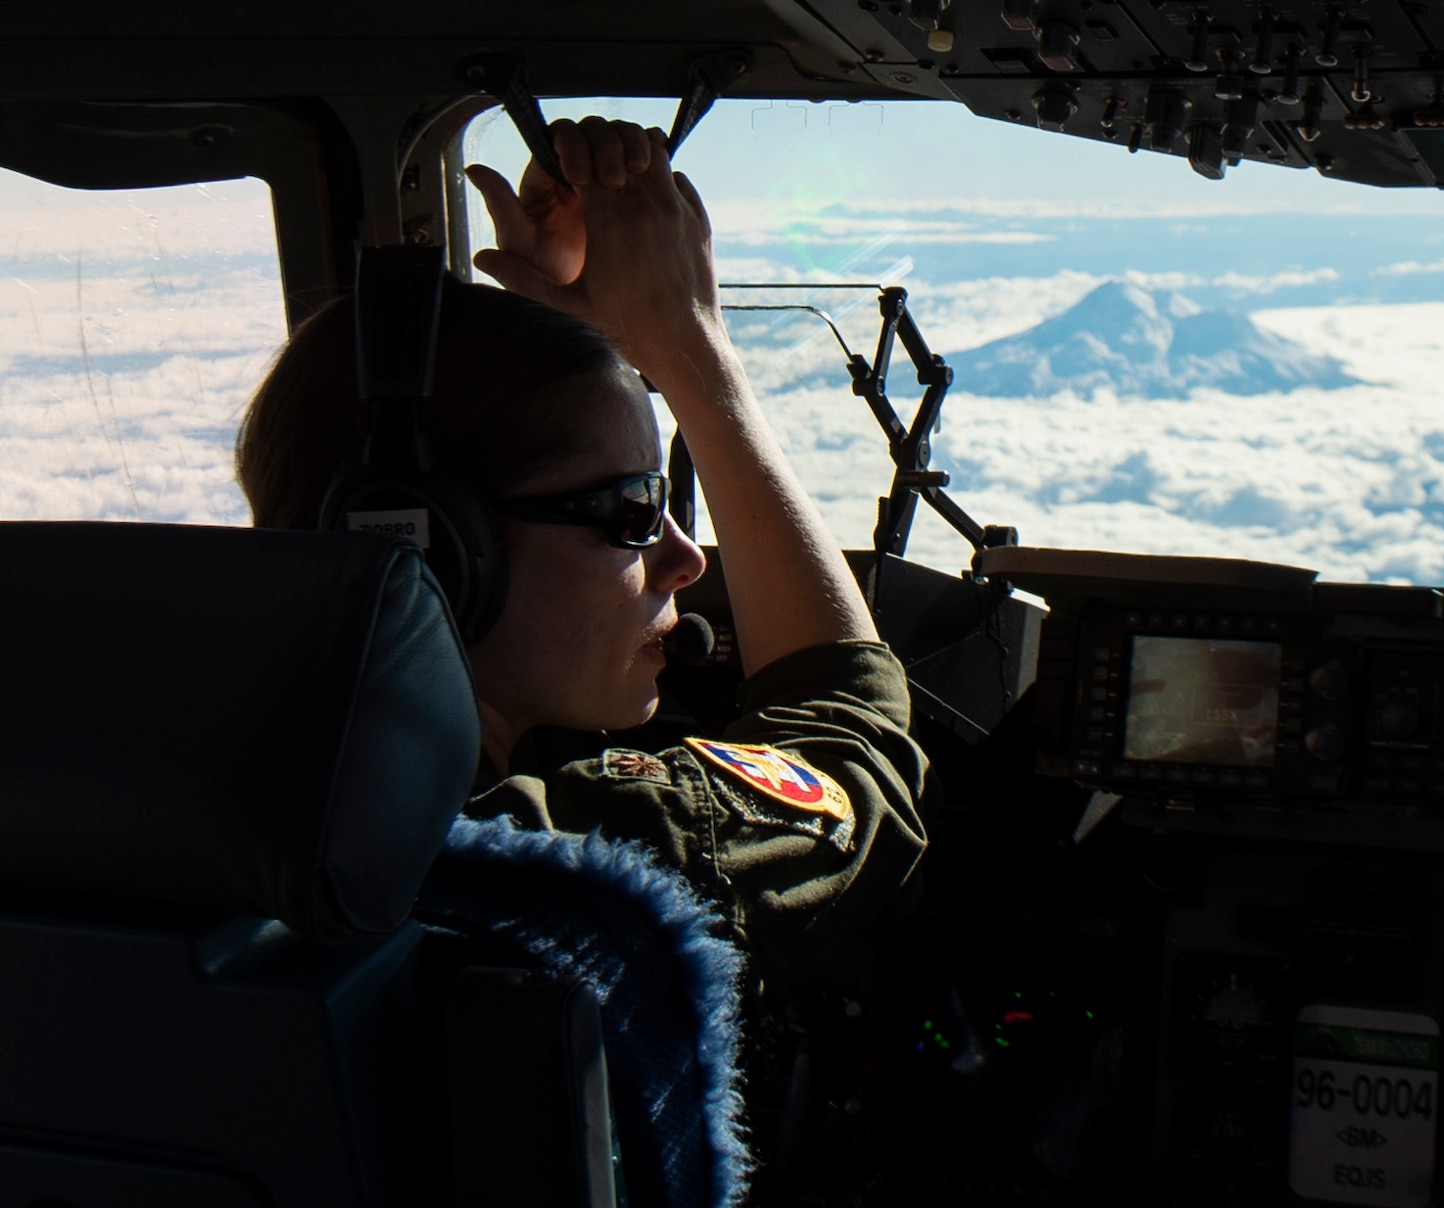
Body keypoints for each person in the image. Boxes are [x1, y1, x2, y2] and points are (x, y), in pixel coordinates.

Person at [234, 116, 926, 1005]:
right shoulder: (570, 855)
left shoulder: (161, 806)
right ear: (434, 549)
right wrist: (688, 345)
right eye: (634, 512)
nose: (684, 560)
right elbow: (857, 755)